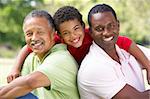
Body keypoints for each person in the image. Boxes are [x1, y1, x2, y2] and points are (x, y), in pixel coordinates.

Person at [7, 6, 150, 84]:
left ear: (83, 26)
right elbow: (28, 47)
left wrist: (148, 68)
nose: (73, 36)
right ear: (59, 34)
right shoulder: (58, 39)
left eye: (76, 29)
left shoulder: (93, 34)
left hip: (95, 74)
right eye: (66, 33)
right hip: (76, 79)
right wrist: (15, 68)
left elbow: (128, 43)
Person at [0, 10, 79, 99]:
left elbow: (30, 82)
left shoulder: (62, 59)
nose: (34, 38)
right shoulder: (32, 58)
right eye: (29, 34)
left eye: (40, 32)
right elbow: (14, 87)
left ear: (54, 34)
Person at [78, 4, 150, 99]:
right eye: (99, 29)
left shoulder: (126, 51)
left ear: (118, 25)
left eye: (111, 26)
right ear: (91, 32)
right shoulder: (93, 67)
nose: (106, 33)